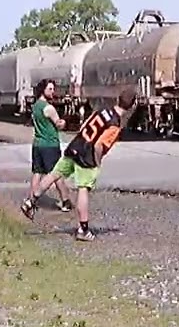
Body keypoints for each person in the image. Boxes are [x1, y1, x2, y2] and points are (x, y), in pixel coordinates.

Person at [20, 87, 137, 241]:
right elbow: (99, 146)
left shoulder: (101, 111)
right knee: (83, 189)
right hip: (86, 156)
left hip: (76, 145)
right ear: (133, 106)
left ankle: (30, 202)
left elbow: (84, 126)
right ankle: (83, 229)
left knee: (54, 174)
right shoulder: (115, 125)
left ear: (117, 99)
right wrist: (97, 162)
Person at [29, 79, 73, 212]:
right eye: (50, 89)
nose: (53, 92)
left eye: (53, 89)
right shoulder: (49, 108)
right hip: (50, 144)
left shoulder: (35, 106)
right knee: (56, 173)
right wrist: (65, 121)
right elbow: (59, 124)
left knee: (37, 172)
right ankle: (65, 201)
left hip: (37, 144)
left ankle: (31, 200)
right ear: (43, 90)